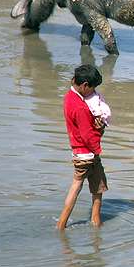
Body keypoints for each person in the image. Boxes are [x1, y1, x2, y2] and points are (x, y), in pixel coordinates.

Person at [56, 64, 109, 230]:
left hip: (82, 152)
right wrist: (100, 131)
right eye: (92, 88)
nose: (93, 93)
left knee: (98, 185)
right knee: (77, 186)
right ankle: (61, 225)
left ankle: (95, 221)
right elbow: (88, 135)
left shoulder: (69, 98)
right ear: (85, 85)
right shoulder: (81, 108)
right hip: (87, 153)